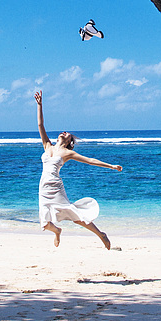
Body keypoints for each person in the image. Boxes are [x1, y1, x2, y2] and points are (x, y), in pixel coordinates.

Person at [34, 90, 121, 249]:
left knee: (75, 216)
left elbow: (90, 160)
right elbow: (40, 125)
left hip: (56, 188)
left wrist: (111, 166)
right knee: (45, 223)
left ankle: (101, 234)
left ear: (69, 142)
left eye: (68, 134)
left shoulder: (68, 153)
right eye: (63, 132)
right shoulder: (47, 145)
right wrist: (40, 105)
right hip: (43, 188)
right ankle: (57, 231)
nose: (64, 132)